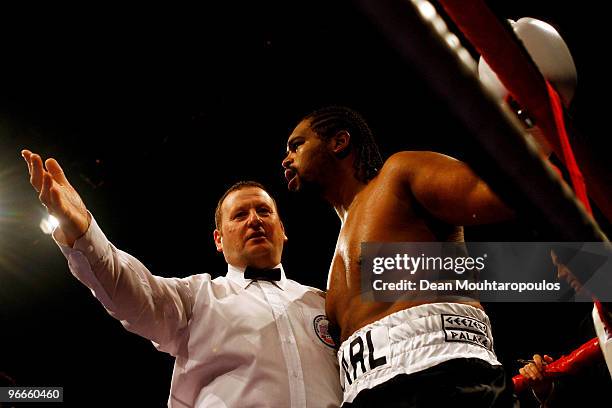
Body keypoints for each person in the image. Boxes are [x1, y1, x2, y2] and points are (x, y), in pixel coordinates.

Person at [21, 150, 342, 407]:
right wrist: (84, 232)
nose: (254, 220)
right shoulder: (198, 297)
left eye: (264, 211)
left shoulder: (326, 303)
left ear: (283, 231)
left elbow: (389, 325)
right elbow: (128, 288)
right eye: (240, 215)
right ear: (218, 239)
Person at [281, 106, 517, 407]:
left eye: (297, 145)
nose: (287, 159)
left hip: (444, 373)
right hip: (363, 391)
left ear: (339, 142)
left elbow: (500, 194)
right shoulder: (335, 258)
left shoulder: (399, 175)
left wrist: (531, 125)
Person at [517, 252, 612, 407]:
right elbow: (587, 395)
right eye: (557, 266)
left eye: (563, 261)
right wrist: (546, 390)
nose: (560, 274)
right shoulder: (587, 328)